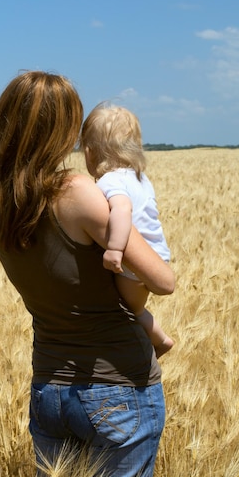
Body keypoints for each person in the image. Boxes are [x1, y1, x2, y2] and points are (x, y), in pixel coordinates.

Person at [0, 71, 175, 477]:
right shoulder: (79, 193)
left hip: (48, 390)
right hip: (117, 389)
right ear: (62, 131)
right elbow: (163, 280)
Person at [81, 103, 174, 358]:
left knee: (130, 310)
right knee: (136, 308)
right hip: (157, 255)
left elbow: (122, 211)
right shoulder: (140, 179)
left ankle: (161, 340)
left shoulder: (110, 180)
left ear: (90, 154)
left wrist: (114, 249)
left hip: (134, 264)